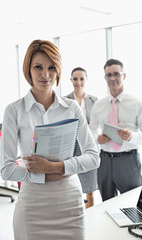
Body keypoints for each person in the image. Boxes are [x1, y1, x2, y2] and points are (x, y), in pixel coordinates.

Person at [0, 39, 100, 240]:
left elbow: (93, 157)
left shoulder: (72, 108)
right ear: (28, 69)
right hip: (33, 205)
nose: (45, 74)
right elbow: (6, 168)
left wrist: (56, 167)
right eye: (38, 67)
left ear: (58, 71)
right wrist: (42, 175)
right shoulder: (14, 110)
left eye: (51, 67)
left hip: (69, 202)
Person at [89, 58, 142, 202]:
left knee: (132, 204)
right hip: (104, 161)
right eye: (109, 75)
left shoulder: (136, 103)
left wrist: (131, 136)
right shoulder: (99, 105)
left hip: (128, 161)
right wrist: (97, 138)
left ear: (124, 76)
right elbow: (92, 130)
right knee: (106, 204)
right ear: (105, 78)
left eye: (116, 74)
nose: (113, 78)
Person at [65, 67, 98, 208]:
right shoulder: (65, 101)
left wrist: (87, 128)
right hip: (71, 149)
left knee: (90, 191)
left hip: (88, 148)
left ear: (86, 80)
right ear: (71, 80)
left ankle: (89, 216)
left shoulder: (94, 100)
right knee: (73, 189)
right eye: (75, 79)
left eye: (81, 79)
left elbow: (97, 124)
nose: (78, 82)